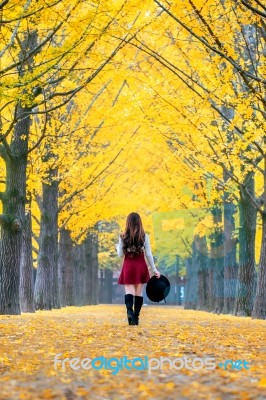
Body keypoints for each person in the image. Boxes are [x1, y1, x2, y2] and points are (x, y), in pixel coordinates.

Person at [116, 212, 161, 326]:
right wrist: (154, 269)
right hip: (140, 265)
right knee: (138, 292)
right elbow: (149, 254)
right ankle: (136, 317)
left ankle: (129, 312)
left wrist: (118, 246)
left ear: (128, 222)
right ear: (139, 222)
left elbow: (120, 255)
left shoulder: (123, 236)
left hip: (128, 265)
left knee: (129, 290)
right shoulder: (144, 236)